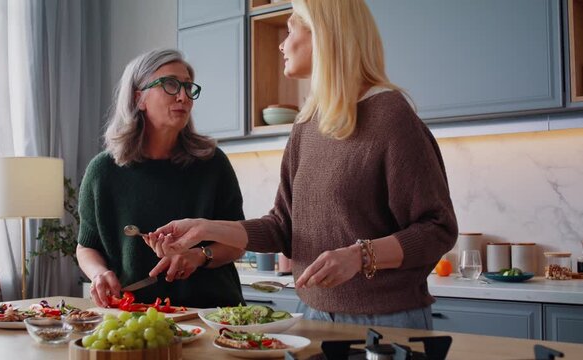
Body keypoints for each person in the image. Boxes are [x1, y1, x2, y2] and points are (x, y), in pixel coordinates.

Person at [147, 0, 458, 329]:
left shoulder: (390, 116)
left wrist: (360, 255)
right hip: (314, 316)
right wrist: (205, 228)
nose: (282, 43)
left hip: (387, 321)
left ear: (323, 35)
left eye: (291, 29)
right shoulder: (307, 124)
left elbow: (438, 228)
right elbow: (282, 227)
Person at [76, 48, 246, 309]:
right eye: (170, 85)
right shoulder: (102, 171)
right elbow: (86, 246)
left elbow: (238, 242)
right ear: (138, 99)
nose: (183, 96)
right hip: (134, 316)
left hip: (212, 315)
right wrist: (99, 273)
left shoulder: (213, 164)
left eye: (188, 88)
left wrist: (200, 255)